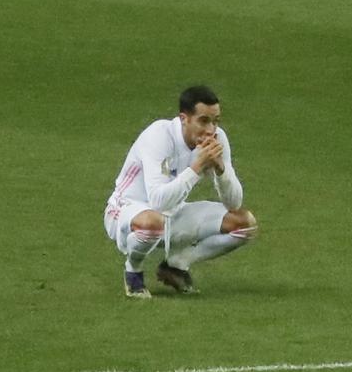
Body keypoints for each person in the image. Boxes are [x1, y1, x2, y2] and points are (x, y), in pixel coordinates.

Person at [103, 86, 258, 297]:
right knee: (152, 222)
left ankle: (176, 264)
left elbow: (234, 203)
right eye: (203, 121)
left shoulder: (218, 138)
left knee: (244, 224)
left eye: (216, 121)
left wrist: (221, 170)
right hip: (126, 210)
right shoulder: (159, 135)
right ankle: (133, 271)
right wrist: (197, 168)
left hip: (172, 213)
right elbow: (158, 201)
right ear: (184, 119)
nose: (211, 130)